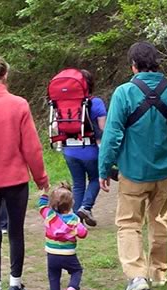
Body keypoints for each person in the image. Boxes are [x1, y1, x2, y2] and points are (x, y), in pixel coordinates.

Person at [98, 42, 167, 290]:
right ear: (157, 63)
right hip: (164, 174)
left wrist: (104, 168)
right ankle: (159, 274)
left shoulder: (124, 92)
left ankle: (137, 276)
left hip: (132, 173)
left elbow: (112, 134)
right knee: (160, 220)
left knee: (129, 224)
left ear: (133, 65)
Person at [0, 53, 49, 290]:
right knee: (16, 231)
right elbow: (31, 146)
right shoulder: (19, 104)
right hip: (16, 179)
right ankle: (15, 285)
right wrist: (41, 178)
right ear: (5, 75)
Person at [62, 69, 107, 227]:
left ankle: (74, 219)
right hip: (90, 150)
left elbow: (56, 127)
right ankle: (86, 207)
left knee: (78, 183)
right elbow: (103, 128)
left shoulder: (64, 105)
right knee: (95, 178)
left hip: (69, 150)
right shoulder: (96, 103)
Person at [38, 182, 87, 290]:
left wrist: (44, 192)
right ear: (72, 203)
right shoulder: (74, 219)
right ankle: (72, 288)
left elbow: (42, 206)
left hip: (52, 253)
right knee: (77, 271)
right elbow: (82, 234)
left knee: (53, 274)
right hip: (68, 254)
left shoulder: (49, 215)